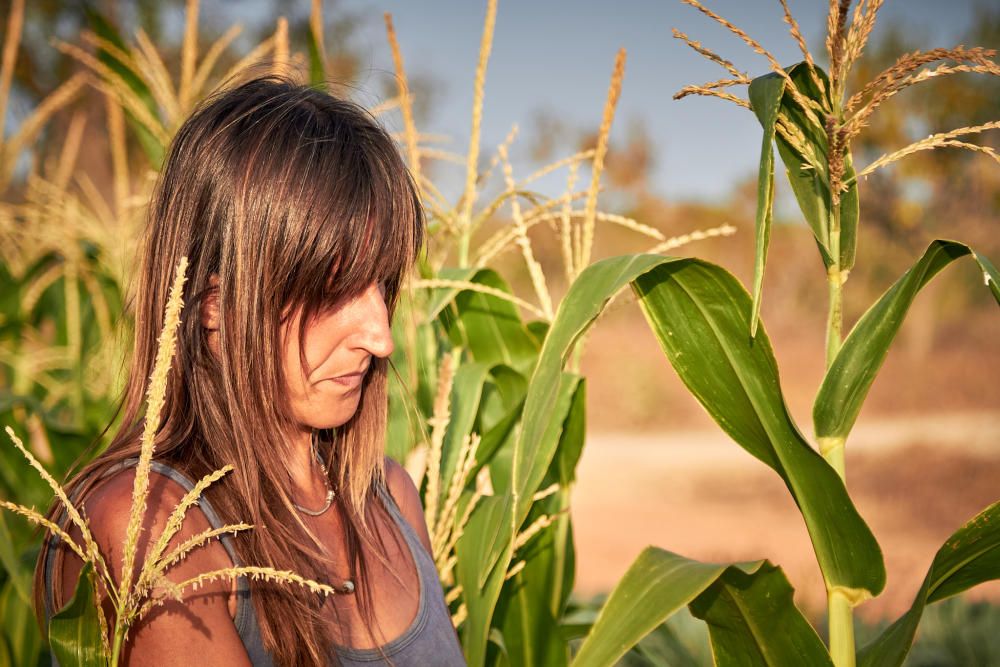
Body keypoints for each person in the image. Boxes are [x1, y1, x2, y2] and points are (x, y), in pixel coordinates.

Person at [34, 73, 468, 666]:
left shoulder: (390, 496)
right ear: (215, 303)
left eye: (384, 284)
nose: (381, 337)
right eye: (335, 289)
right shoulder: (154, 530)